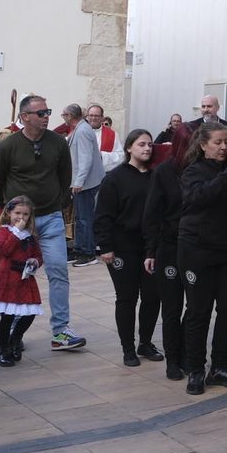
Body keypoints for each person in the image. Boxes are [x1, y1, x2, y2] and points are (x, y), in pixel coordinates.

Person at [0, 95, 84, 352]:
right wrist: (14, 213)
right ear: (25, 116)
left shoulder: (57, 143)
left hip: (51, 218)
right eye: (40, 113)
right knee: (19, 275)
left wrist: (59, 203)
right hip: (20, 223)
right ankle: (14, 330)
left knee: (58, 273)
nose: (46, 116)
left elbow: (65, 176)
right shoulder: (8, 146)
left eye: (47, 112)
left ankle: (61, 332)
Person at [177, 123, 227, 395]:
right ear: (203, 145)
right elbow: (203, 196)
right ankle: (196, 369)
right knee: (199, 311)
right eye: (217, 142)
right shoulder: (193, 172)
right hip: (198, 251)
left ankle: (219, 366)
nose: (223, 147)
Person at [95, 130, 164, 367]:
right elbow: (103, 215)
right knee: (127, 298)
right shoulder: (115, 178)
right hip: (123, 246)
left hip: (150, 246)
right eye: (141, 144)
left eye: (150, 145)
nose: (147, 149)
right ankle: (128, 348)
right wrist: (106, 246)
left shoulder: (157, 176)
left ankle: (145, 342)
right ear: (129, 148)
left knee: (152, 297)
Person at [143, 127, 191, 380]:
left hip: (195, 248)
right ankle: (172, 359)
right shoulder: (164, 171)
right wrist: (151, 250)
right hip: (169, 247)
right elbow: (152, 213)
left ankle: (186, 353)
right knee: (172, 307)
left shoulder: (201, 171)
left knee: (195, 307)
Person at [0, 197, 44, 367]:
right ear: (9, 213)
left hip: (25, 279)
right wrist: (17, 231)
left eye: (25, 214)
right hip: (8, 278)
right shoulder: (3, 231)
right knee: (7, 317)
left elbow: (38, 255)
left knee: (29, 314)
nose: (21, 217)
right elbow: (5, 250)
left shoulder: (31, 235)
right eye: (17, 213)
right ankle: (2, 350)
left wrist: (35, 262)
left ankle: (15, 340)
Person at [61, 104, 104, 267]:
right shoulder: (81, 128)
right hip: (83, 183)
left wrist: (78, 182)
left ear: (71, 115)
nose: (63, 117)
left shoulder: (83, 131)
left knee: (85, 219)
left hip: (86, 184)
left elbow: (85, 159)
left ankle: (88, 253)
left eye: (64, 114)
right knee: (80, 218)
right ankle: (79, 249)